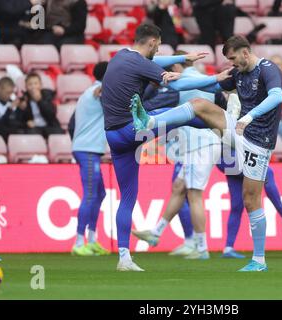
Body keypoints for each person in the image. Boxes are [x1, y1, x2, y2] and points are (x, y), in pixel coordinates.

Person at [132, 35, 282, 272]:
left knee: (250, 199)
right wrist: (171, 79)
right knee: (199, 104)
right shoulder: (238, 73)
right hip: (238, 129)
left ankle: (259, 260)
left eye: (234, 58)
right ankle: (150, 122)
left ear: (246, 52)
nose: (232, 65)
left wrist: (249, 116)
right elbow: (207, 85)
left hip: (258, 139)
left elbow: (277, 97)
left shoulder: (267, 69)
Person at [101, 23, 231, 272]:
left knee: (127, 198)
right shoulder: (141, 62)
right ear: (151, 42)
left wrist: (184, 57)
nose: (158, 51)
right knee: (180, 113)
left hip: (114, 137)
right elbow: (176, 85)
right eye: (157, 47)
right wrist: (214, 78)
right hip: (134, 129)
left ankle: (124, 258)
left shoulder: (120, 56)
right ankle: (224, 124)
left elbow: (155, 63)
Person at [133, 51, 223, 260]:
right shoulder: (204, 79)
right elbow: (221, 103)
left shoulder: (182, 81)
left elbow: (152, 104)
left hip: (197, 145)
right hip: (207, 140)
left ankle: (202, 248)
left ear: (175, 67)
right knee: (179, 188)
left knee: (194, 195)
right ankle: (156, 233)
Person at [71, 62, 110, 256]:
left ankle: (92, 239)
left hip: (89, 149)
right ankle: (79, 242)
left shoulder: (93, 90)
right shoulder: (98, 91)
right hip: (86, 150)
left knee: (100, 193)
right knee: (90, 194)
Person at [20, 73, 64, 138]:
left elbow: (52, 114)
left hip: (49, 127)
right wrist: (26, 123)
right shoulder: (24, 100)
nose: (33, 87)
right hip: (34, 129)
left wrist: (40, 101)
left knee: (59, 132)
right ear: (26, 87)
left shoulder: (47, 96)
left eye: (35, 83)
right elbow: (20, 120)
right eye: (30, 84)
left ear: (40, 85)